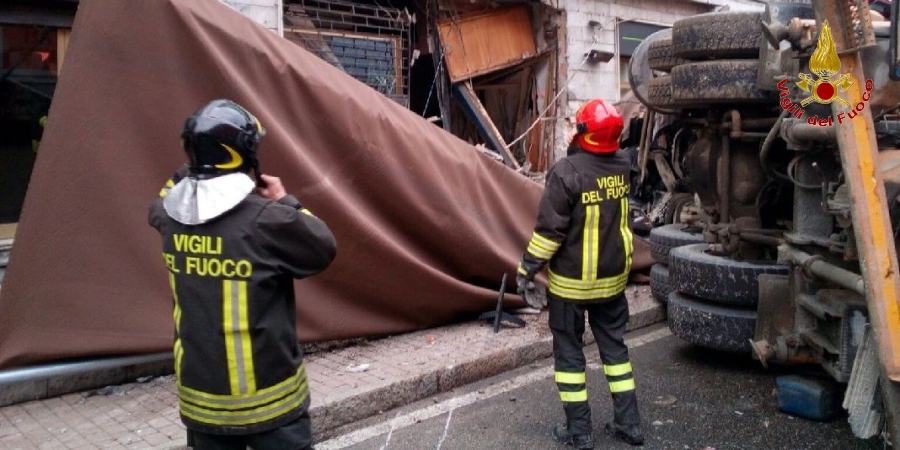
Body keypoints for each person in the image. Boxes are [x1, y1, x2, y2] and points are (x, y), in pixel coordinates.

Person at [149, 99, 337, 450]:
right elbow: (322, 245)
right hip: (272, 406)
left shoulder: (168, 218)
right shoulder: (267, 219)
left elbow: (163, 196)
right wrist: (285, 200)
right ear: (243, 155)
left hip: (202, 406)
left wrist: (195, 163)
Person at [516, 98, 644, 449]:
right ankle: (629, 425)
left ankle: (579, 432)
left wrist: (526, 269)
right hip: (613, 283)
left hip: (571, 287)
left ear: (585, 132)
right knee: (616, 353)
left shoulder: (566, 172)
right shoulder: (622, 166)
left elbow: (549, 233)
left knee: (570, 356)